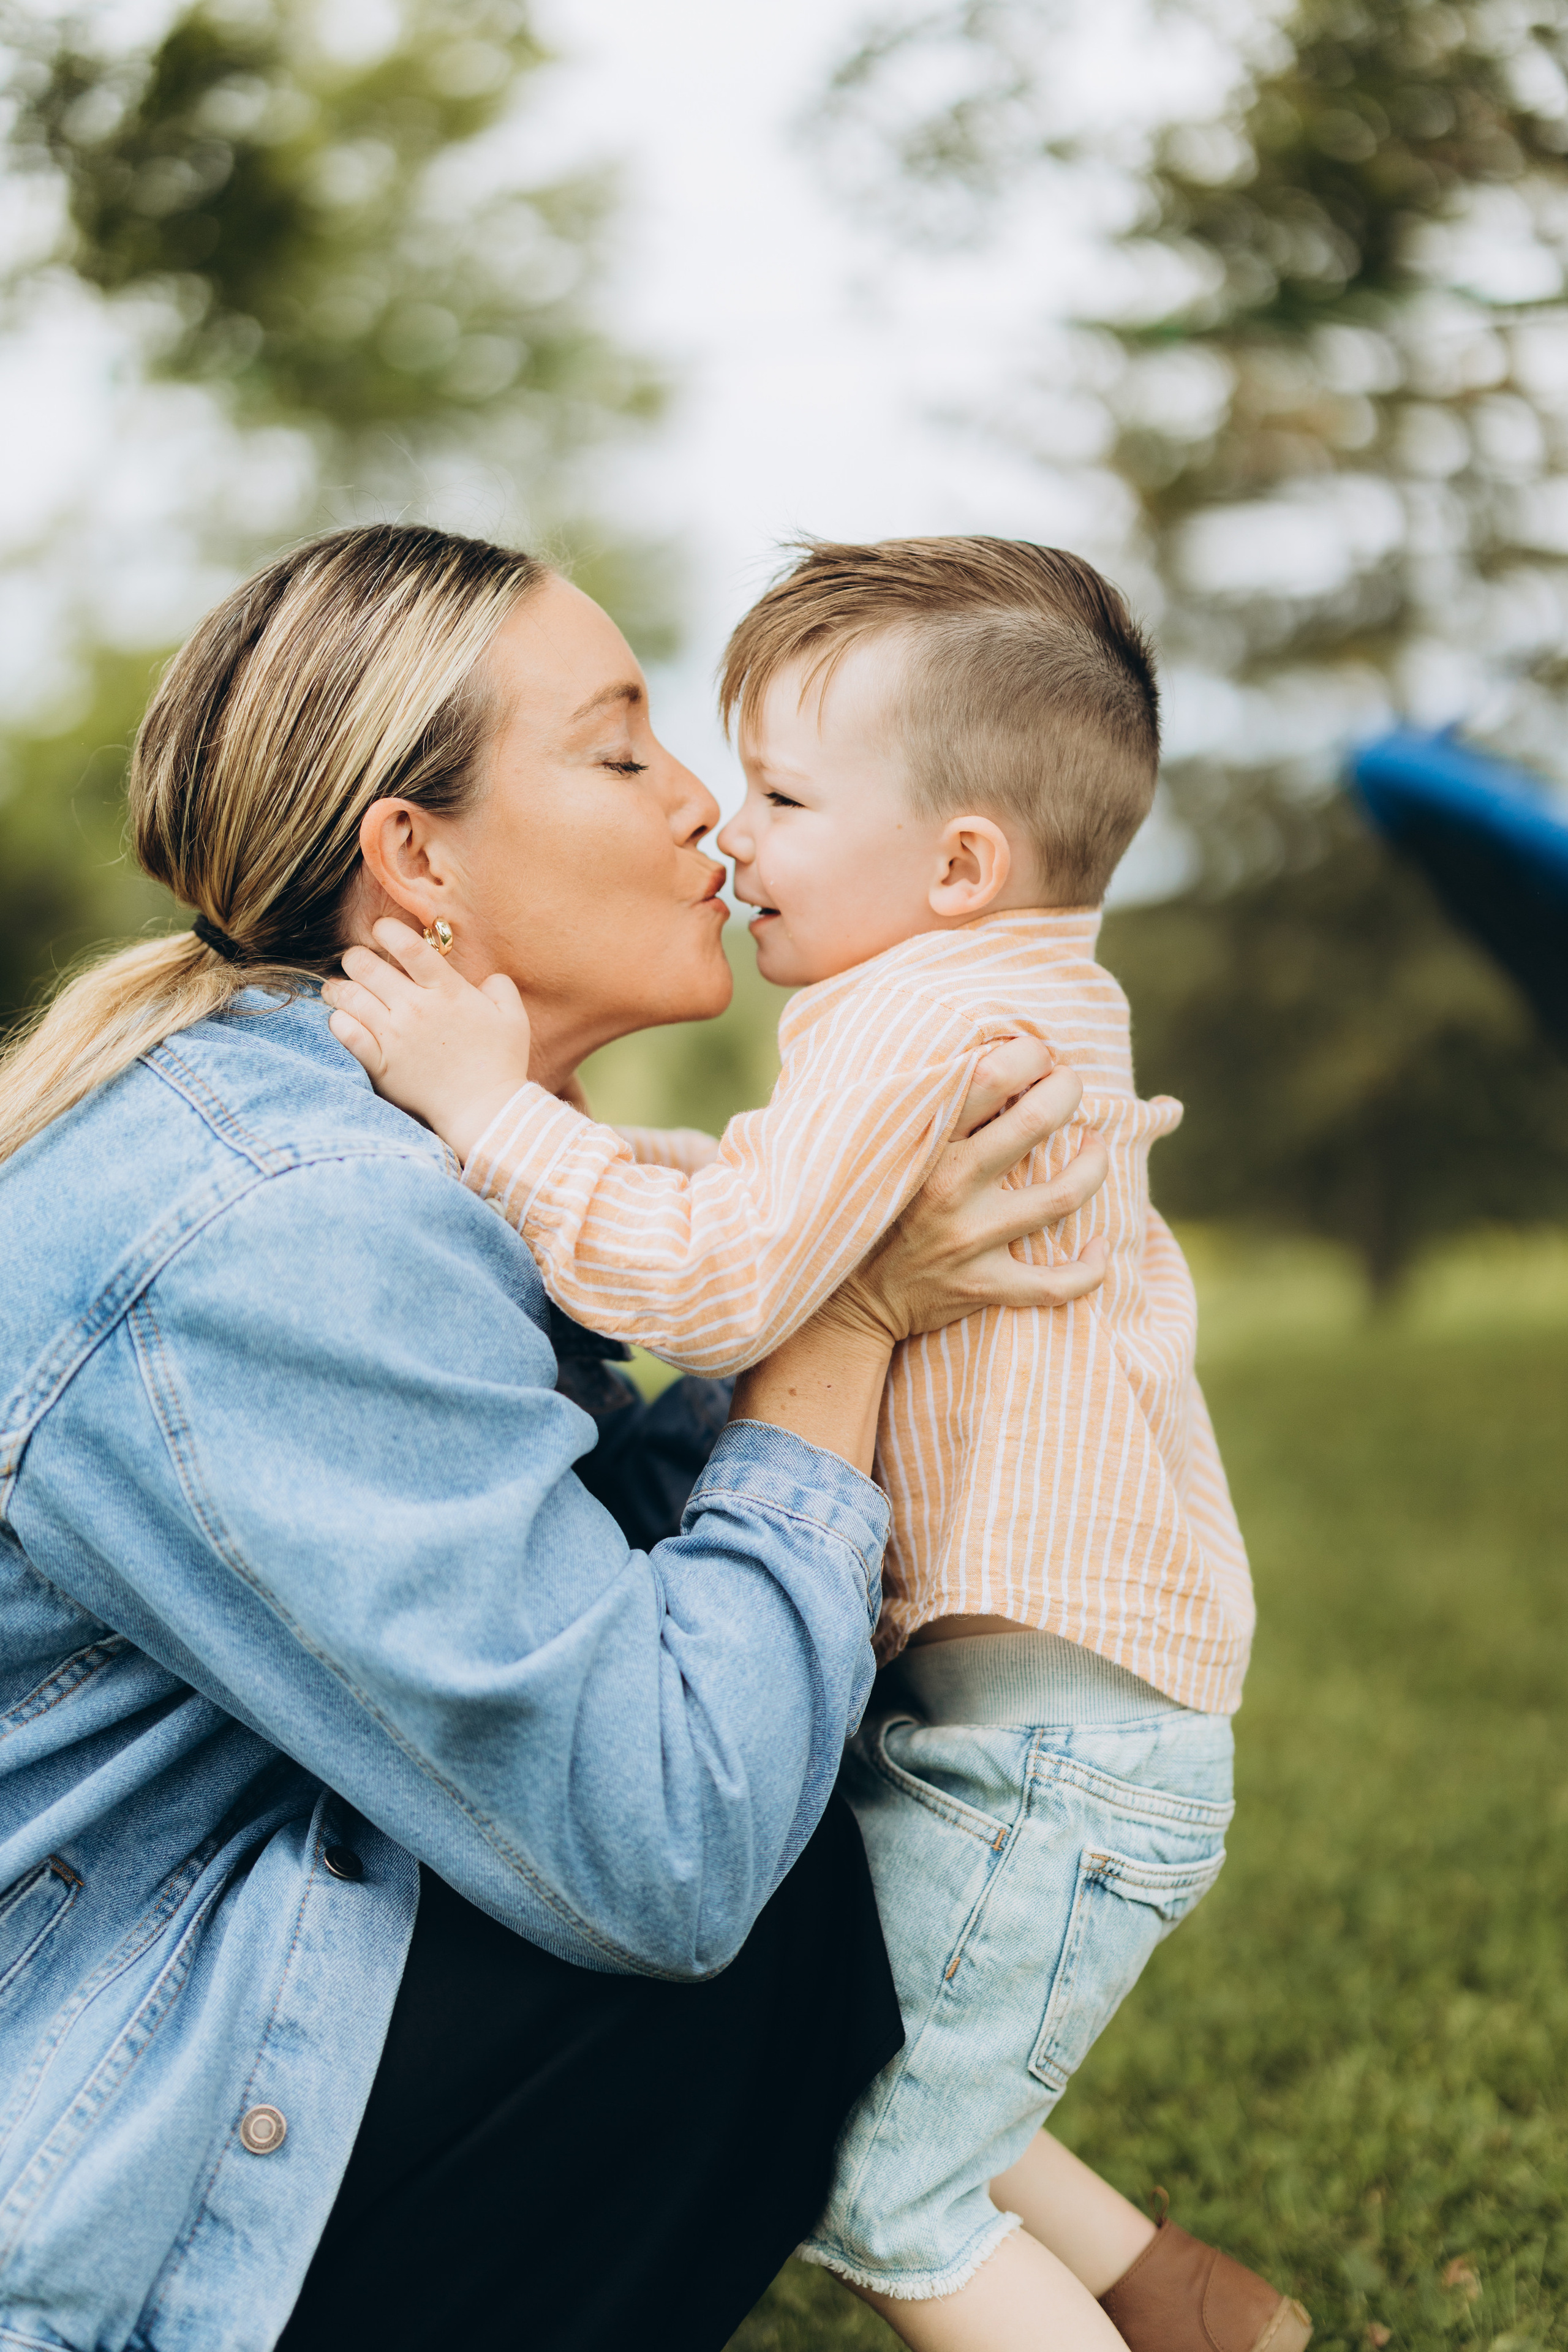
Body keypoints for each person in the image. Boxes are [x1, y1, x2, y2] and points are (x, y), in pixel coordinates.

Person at [0, 525, 1115, 2352]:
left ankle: (1137, 2278)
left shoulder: (377, 1148)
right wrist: (848, 1321)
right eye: (623, 751)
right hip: (69, 2167)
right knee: (750, 1891)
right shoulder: (291, 1223)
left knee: (758, 1659)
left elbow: (627, 1562)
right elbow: (669, 1835)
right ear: (414, 861)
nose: (710, 812)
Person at [325, 537, 1313, 2352]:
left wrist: (482, 1113)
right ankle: (1198, 2313)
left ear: (959, 862)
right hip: (1053, 1736)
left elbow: (713, 1292)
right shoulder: (1004, 996)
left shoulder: (918, 1017)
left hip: (1041, 1761)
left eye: (780, 794)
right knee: (864, 2017)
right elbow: (774, 1213)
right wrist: (625, 1171)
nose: (733, 835)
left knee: (885, 2196)